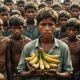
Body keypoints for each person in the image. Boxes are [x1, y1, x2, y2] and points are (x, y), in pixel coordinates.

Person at [17, 7, 73, 80]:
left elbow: (69, 73)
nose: (47, 28)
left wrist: (57, 74)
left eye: (50, 24)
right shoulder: (29, 46)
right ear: (37, 26)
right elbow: (20, 71)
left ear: (55, 26)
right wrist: (30, 74)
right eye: (43, 24)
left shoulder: (63, 47)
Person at [6, 15, 31, 80]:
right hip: (13, 73)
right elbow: (8, 61)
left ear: (23, 27)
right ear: (10, 28)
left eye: (19, 28)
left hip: (26, 73)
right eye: (14, 28)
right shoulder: (8, 41)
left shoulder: (28, 41)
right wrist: (10, 77)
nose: (17, 31)